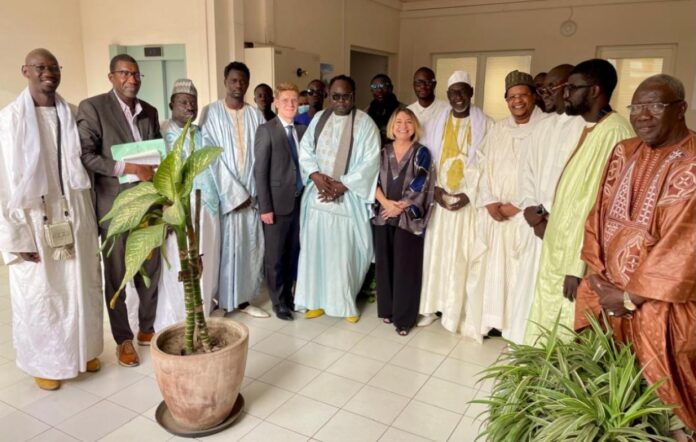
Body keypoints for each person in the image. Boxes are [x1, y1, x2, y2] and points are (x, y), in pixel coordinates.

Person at [575, 74, 696, 437]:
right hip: (606, 289)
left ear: (681, 109)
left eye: (655, 105)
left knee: (663, 400)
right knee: (603, 387)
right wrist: (597, 278)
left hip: (662, 302)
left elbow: (684, 245)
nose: (643, 115)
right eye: (637, 106)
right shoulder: (623, 151)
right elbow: (597, 216)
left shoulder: (693, 161)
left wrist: (629, 298)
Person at [0, 49, 102, 390]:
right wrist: (15, 238)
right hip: (32, 222)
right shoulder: (9, 121)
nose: (49, 72)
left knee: (82, 287)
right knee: (43, 294)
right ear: (25, 71)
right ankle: (46, 363)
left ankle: (84, 350)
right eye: (41, 67)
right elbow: (2, 185)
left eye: (54, 67)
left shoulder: (71, 114)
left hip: (75, 215)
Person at [524, 59, 634, 344]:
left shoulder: (616, 133)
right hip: (560, 247)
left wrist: (576, 266)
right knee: (548, 319)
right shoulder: (593, 128)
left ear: (595, 90)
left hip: (578, 260)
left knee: (566, 326)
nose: (565, 94)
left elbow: (600, 208)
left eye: (572, 88)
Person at [78, 53, 161, 367]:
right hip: (115, 208)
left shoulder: (149, 111)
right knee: (117, 276)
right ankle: (123, 339)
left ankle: (147, 329)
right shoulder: (94, 108)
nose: (132, 79)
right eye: (125, 73)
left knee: (150, 270)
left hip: (148, 205)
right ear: (111, 76)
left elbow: (157, 155)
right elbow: (86, 155)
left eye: (136, 74)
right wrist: (130, 167)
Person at [294, 75, 381, 322]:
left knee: (344, 256)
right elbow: (305, 150)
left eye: (346, 96)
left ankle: (344, 305)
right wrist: (315, 176)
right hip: (318, 197)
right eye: (336, 96)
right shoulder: (320, 119)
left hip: (348, 199)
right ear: (329, 96)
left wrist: (343, 185)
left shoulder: (365, 124)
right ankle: (315, 301)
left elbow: (371, 161)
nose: (341, 101)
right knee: (315, 253)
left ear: (354, 96)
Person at [471, 70, 549, 341]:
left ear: (533, 96)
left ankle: (516, 327)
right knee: (495, 270)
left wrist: (517, 205)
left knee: (520, 272)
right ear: (506, 100)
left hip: (526, 217)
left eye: (522, 95)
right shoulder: (498, 128)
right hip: (496, 215)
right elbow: (480, 166)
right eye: (512, 97)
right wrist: (489, 201)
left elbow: (547, 174)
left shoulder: (547, 127)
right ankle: (494, 321)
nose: (517, 101)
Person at [510, 64, 584, 344]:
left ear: (569, 87)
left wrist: (544, 214)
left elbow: (577, 186)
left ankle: (550, 352)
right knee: (528, 286)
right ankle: (522, 343)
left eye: (551, 88)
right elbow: (526, 174)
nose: (545, 94)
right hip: (536, 225)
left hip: (565, 230)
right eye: (542, 89)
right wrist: (533, 212)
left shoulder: (585, 128)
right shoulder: (543, 127)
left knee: (559, 296)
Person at [418, 71, 494, 336]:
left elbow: (490, 165)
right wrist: (434, 189)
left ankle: (456, 311)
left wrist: (470, 194)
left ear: (471, 92)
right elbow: (425, 160)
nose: (458, 97)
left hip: (467, 204)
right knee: (436, 255)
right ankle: (431, 307)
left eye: (462, 91)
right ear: (447, 95)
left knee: (462, 257)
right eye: (453, 93)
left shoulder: (487, 125)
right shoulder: (435, 123)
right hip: (440, 202)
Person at [199, 62, 269, 318]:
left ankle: (243, 301)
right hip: (223, 197)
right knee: (222, 250)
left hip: (251, 197)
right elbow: (208, 155)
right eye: (234, 80)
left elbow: (262, 157)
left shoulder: (255, 115)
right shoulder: (210, 112)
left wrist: (252, 192)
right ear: (225, 81)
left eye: (243, 81)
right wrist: (233, 193)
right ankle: (219, 303)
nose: (238, 85)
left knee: (249, 249)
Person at [155, 79, 221, 330]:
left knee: (207, 259)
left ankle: (204, 310)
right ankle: (180, 317)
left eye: (193, 102)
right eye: (183, 102)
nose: (190, 107)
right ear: (171, 104)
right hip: (180, 211)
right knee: (180, 261)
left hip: (208, 208)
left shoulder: (201, 132)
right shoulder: (162, 133)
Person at [373, 107, 434, 336]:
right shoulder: (382, 151)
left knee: (406, 267)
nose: (403, 126)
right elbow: (371, 180)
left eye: (408, 122)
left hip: (409, 217)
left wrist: (400, 206)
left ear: (415, 126)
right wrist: (385, 203)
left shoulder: (421, 152)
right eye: (398, 121)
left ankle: (404, 319)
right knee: (385, 263)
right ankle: (388, 309)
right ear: (392, 125)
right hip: (384, 214)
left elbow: (422, 182)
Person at [254, 83, 307, 321]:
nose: (290, 104)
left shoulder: (302, 130)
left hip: (299, 202)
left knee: (293, 253)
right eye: (285, 100)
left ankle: (289, 296)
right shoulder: (266, 130)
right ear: (276, 103)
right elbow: (260, 172)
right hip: (276, 205)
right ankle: (278, 302)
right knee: (275, 257)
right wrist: (265, 207)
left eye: (294, 100)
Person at [366, 74, 402, 146]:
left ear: (391, 88)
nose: (379, 90)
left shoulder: (404, 110)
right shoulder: (366, 113)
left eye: (383, 86)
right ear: (371, 90)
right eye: (375, 87)